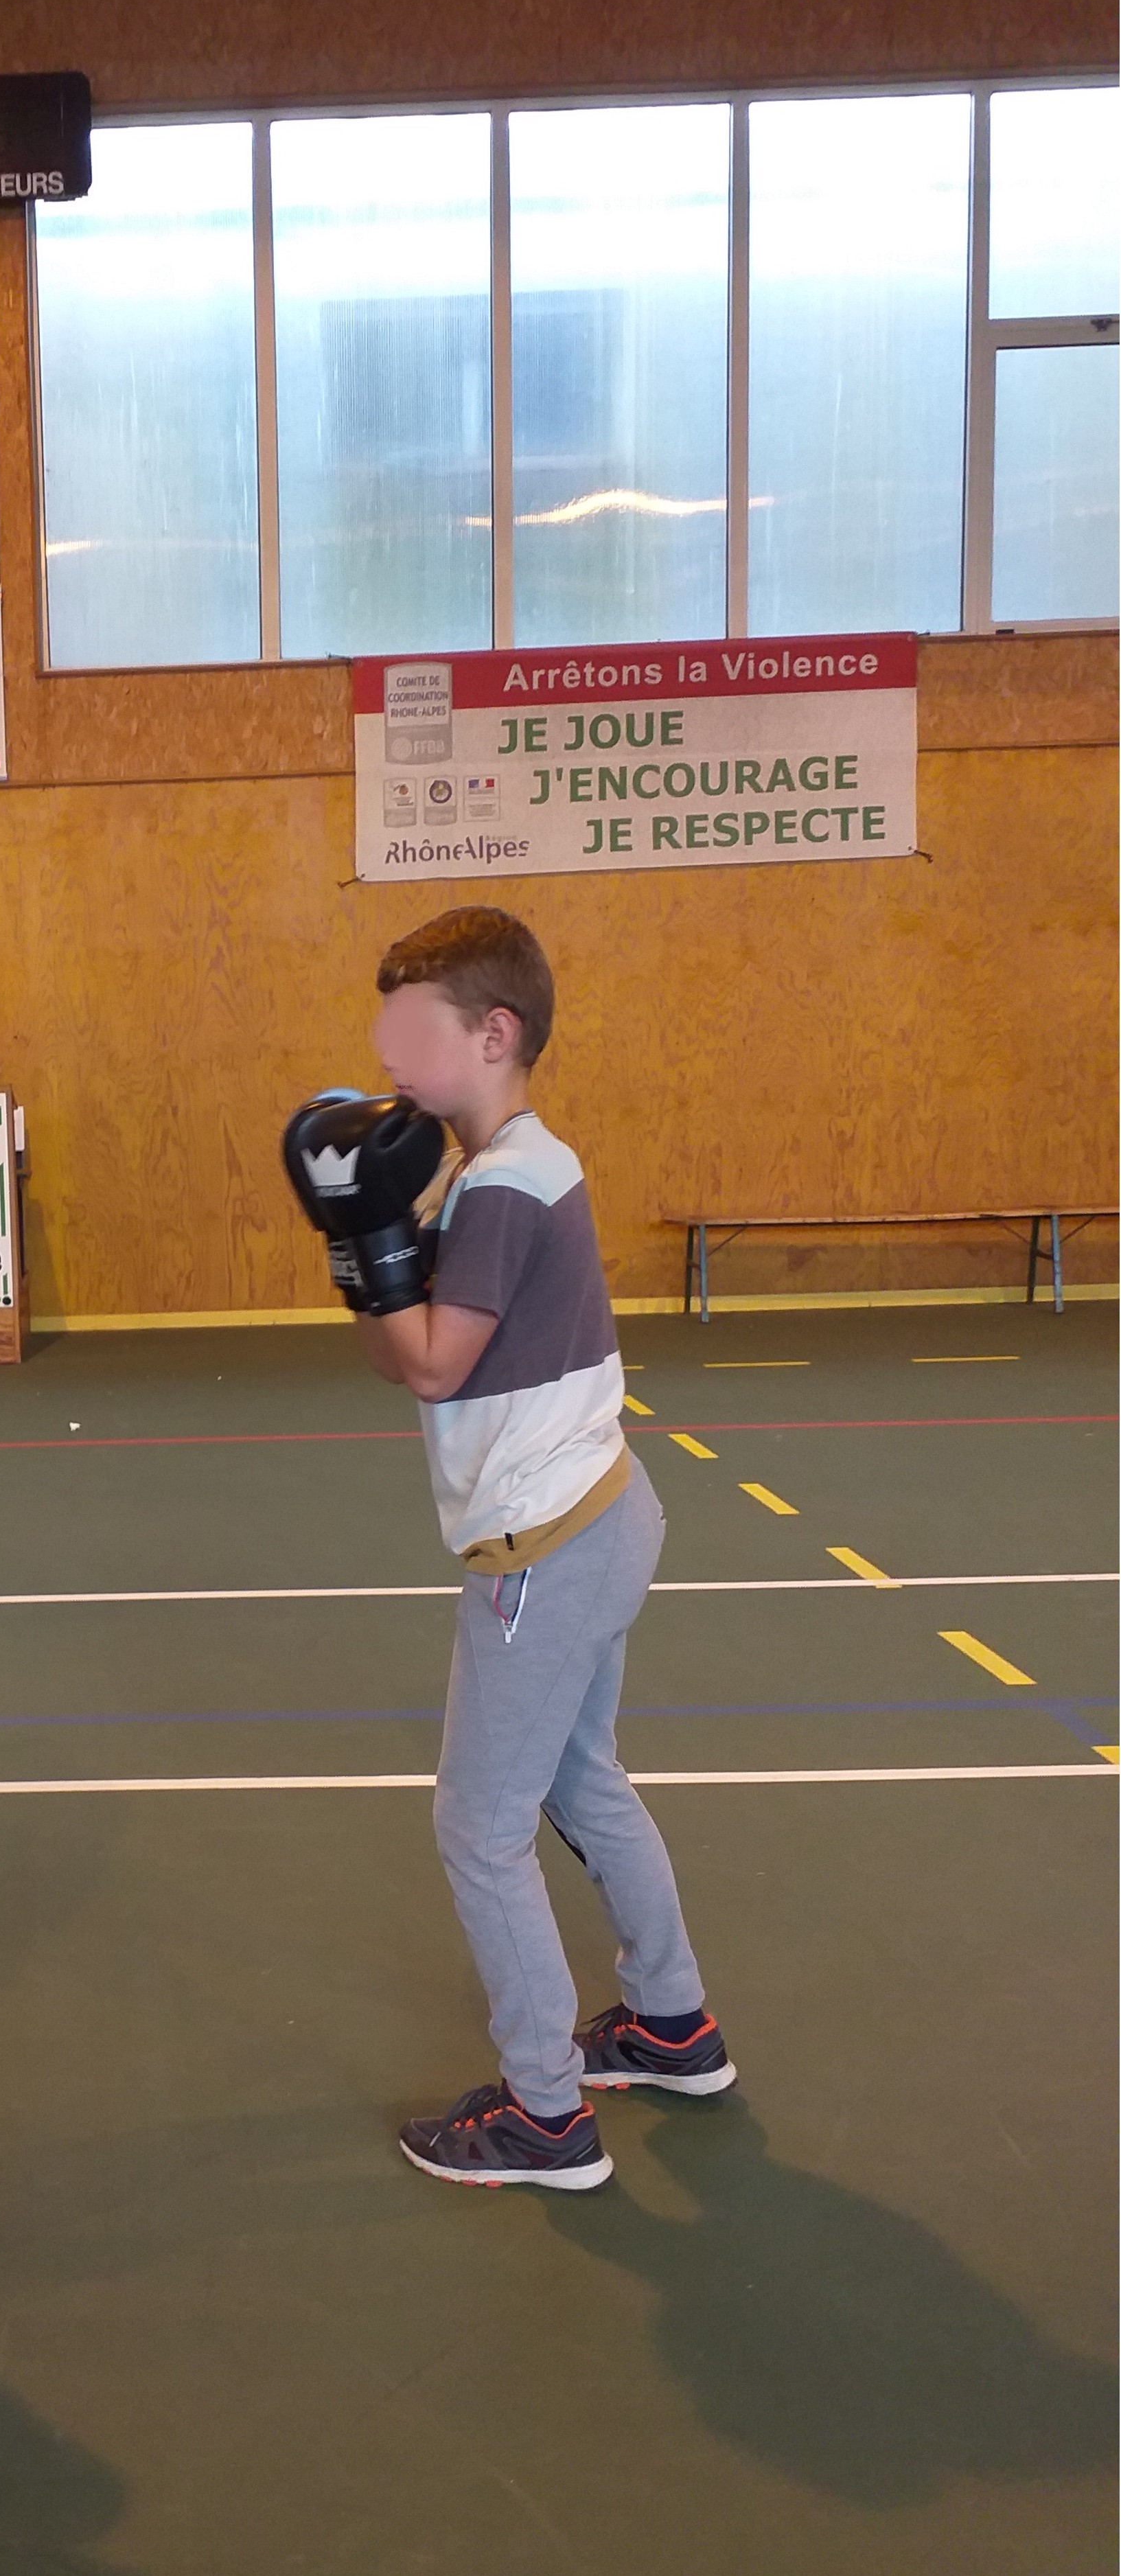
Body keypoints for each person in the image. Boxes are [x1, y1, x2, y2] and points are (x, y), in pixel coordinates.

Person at [284, 906, 734, 2192]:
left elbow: (423, 1361)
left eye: (411, 1030)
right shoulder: (527, 1161)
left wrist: (350, 1247)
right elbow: (415, 1352)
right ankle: (669, 2025)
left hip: (541, 1551)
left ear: (493, 1033)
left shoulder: (492, 1188)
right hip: (604, 1512)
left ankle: (546, 2114)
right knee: (580, 1777)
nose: (387, 1057)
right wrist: (372, 1250)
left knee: (478, 1827)